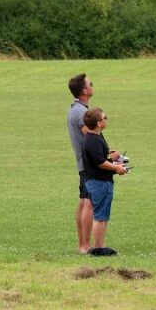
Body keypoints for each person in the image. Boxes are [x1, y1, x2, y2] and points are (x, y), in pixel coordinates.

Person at [81, 108, 127, 257]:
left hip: (101, 181)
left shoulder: (96, 137)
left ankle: (100, 246)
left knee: (103, 215)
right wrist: (116, 168)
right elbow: (100, 163)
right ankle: (99, 248)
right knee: (100, 216)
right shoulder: (93, 140)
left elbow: (101, 157)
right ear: (99, 123)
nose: (107, 119)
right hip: (99, 182)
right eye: (104, 117)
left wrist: (111, 157)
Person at [67, 73, 94, 254]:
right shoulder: (82, 112)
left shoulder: (75, 109)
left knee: (83, 202)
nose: (92, 85)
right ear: (84, 90)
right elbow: (90, 138)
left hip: (83, 163)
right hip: (89, 165)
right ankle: (85, 246)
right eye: (90, 84)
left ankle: (82, 244)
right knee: (88, 203)